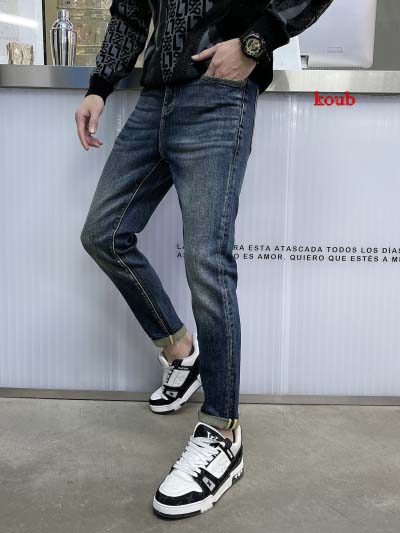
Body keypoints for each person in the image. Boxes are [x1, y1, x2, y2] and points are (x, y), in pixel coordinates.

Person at [75, 0, 334, 519]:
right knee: (104, 234)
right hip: (154, 100)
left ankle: (222, 431)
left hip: (219, 94)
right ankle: (179, 348)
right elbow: (130, 12)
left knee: (206, 262)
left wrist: (254, 44)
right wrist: (99, 85)